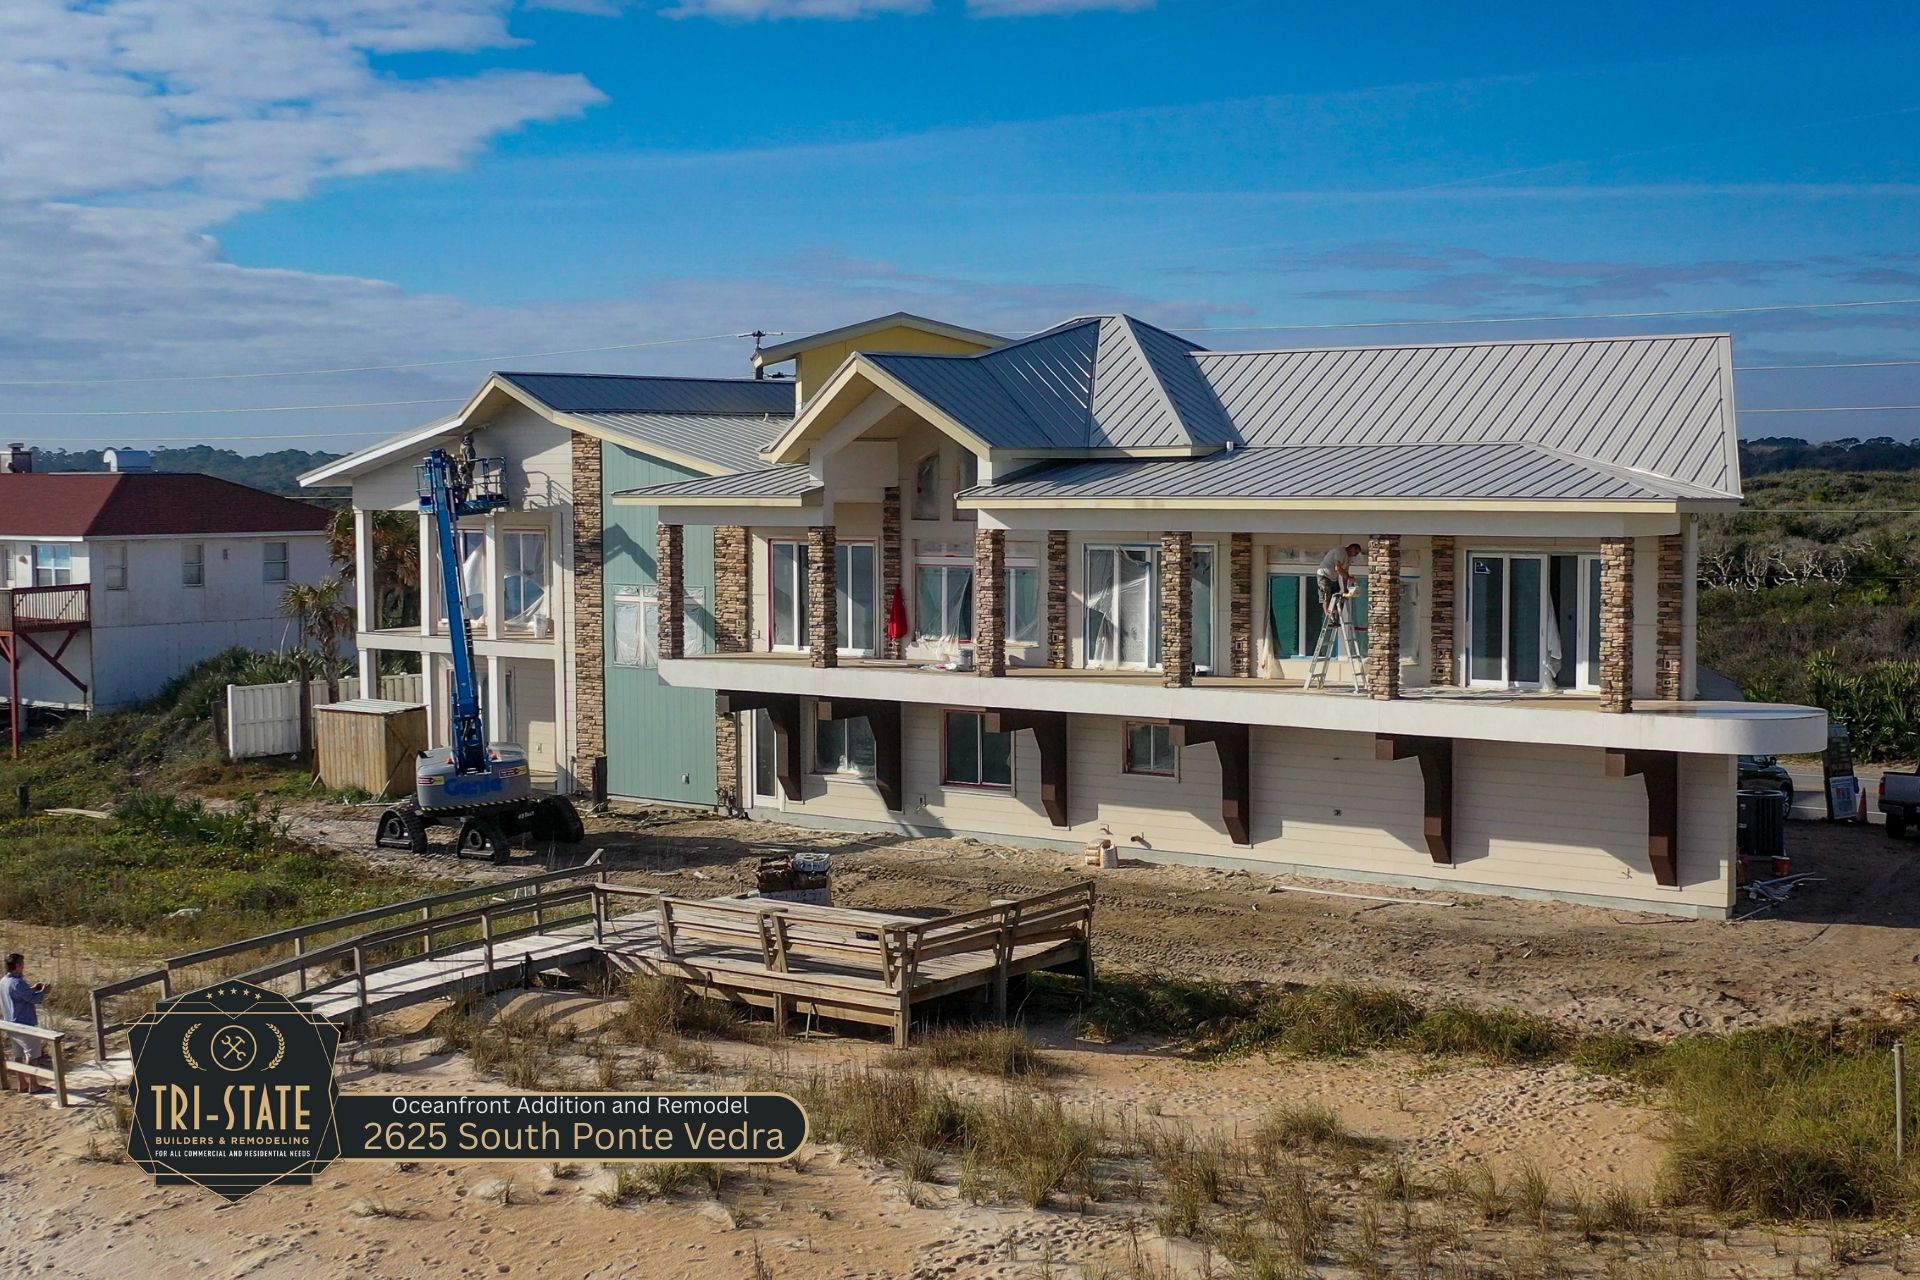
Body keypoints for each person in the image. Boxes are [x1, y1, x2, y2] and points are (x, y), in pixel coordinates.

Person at [2, 953, 49, 1093]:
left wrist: (32, 989)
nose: (23, 966)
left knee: (17, 1055)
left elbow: (19, 995)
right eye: (22, 963)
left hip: (10, 1024)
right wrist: (44, 992)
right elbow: (34, 999)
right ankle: (33, 1085)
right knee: (32, 1055)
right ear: (17, 965)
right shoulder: (18, 983)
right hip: (25, 1025)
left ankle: (22, 1083)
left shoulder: (3, 981)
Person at [1317, 543, 1364, 619]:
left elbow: (1345, 573)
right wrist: (1348, 577)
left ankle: (1335, 616)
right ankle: (1329, 617)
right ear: (1351, 548)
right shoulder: (1340, 551)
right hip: (1324, 575)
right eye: (1356, 552)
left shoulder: (1349, 558)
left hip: (1333, 578)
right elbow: (1338, 568)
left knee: (1337, 596)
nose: (1355, 555)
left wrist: (1345, 589)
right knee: (1326, 596)